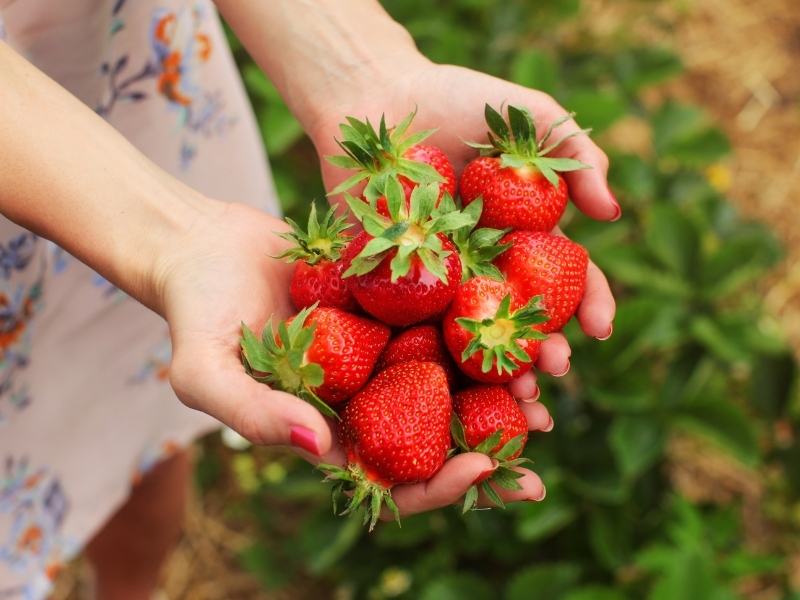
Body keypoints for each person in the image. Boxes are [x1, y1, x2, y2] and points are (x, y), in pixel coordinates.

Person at [0, 0, 618, 597]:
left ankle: (128, 590)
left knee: (137, 412)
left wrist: (364, 74)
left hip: (123, 64)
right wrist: (172, 239)